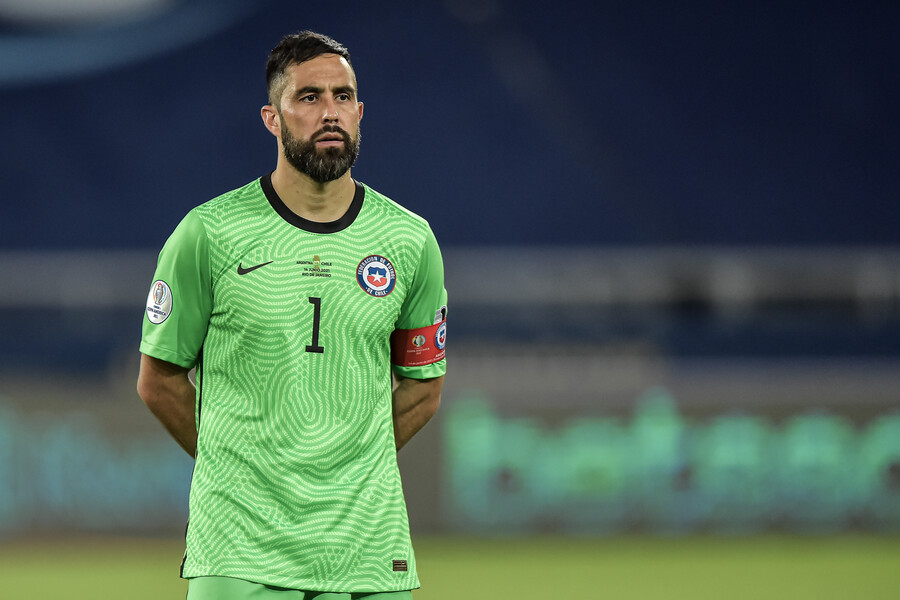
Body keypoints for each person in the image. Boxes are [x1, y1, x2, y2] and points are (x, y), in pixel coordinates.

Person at [137, 30, 447, 600]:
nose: (329, 112)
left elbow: (423, 389)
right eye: (308, 98)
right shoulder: (208, 233)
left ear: (359, 111)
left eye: (342, 96)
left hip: (367, 547)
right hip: (239, 548)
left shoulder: (409, 240)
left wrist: (345, 462)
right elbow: (158, 380)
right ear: (271, 118)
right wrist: (242, 469)